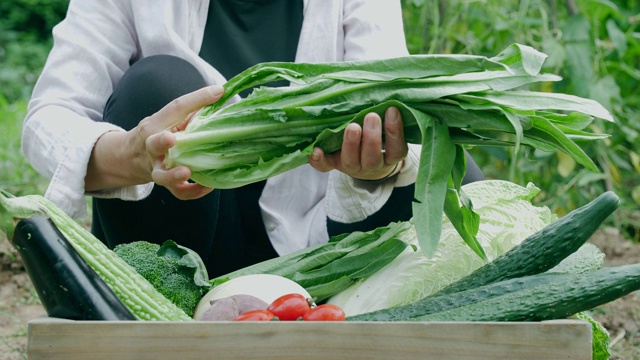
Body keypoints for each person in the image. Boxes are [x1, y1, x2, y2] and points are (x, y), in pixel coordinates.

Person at [22, 0, 483, 277]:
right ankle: (165, 319)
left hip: (315, 249)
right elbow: (50, 116)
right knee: (156, 85)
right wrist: (132, 154)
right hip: (178, 233)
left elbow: (390, 105)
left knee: (457, 177)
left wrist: (379, 162)